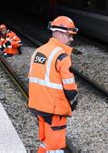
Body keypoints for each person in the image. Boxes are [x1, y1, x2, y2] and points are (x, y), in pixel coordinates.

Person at [28, 16, 79, 152]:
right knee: (55, 146)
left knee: (46, 142)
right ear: (60, 33)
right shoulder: (62, 56)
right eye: (69, 35)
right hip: (54, 109)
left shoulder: (38, 51)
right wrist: (73, 103)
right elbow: (69, 87)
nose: (71, 39)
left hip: (38, 106)